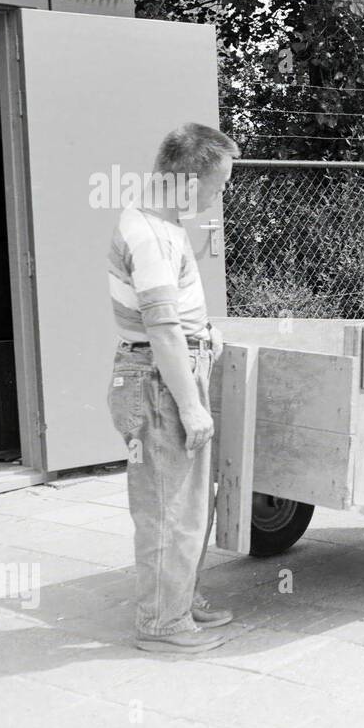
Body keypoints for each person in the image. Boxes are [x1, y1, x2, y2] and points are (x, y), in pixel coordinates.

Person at [106, 123, 236, 653]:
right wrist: (190, 405)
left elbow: (174, 318)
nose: (221, 193)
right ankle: (161, 623)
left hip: (172, 372)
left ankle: (179, 600)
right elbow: (160, 328)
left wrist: (206, 335)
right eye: (219, 183)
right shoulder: (151, 235)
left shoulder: (166, 225)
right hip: (161, 384)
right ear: (189, 180)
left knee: (187, 504)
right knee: (168, 506)